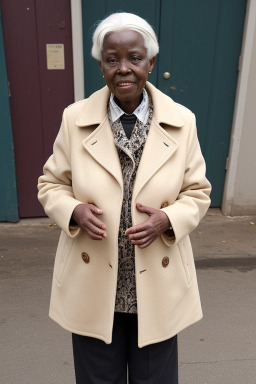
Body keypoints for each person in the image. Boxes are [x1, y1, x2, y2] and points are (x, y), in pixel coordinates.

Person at [38, 12, 211, 384]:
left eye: (134, 58)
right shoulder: (74, 119)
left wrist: (168, 220)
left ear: (151, 61)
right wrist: (73, 210)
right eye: (112, 59)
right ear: (100, 65)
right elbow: (51, 184)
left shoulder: (183, 121)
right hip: (93, 283)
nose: (124, 69)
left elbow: (198, 192)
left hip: (158, 287)